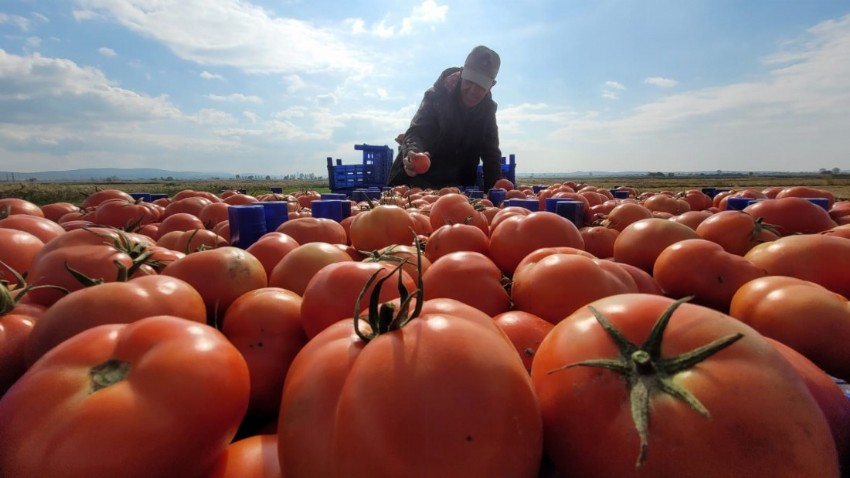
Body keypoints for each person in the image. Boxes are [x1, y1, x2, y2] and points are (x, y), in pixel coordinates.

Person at [386, 45, 503, 191]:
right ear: (461, 74)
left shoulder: (487, 109)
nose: (473, 90)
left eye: (480, 86)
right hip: (416, 183)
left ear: (491, 85)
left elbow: (491, 153)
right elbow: (418, 131)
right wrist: (413, 153)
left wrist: (494, 193)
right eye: (469, 82)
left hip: (456, 190)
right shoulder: (437, 96)